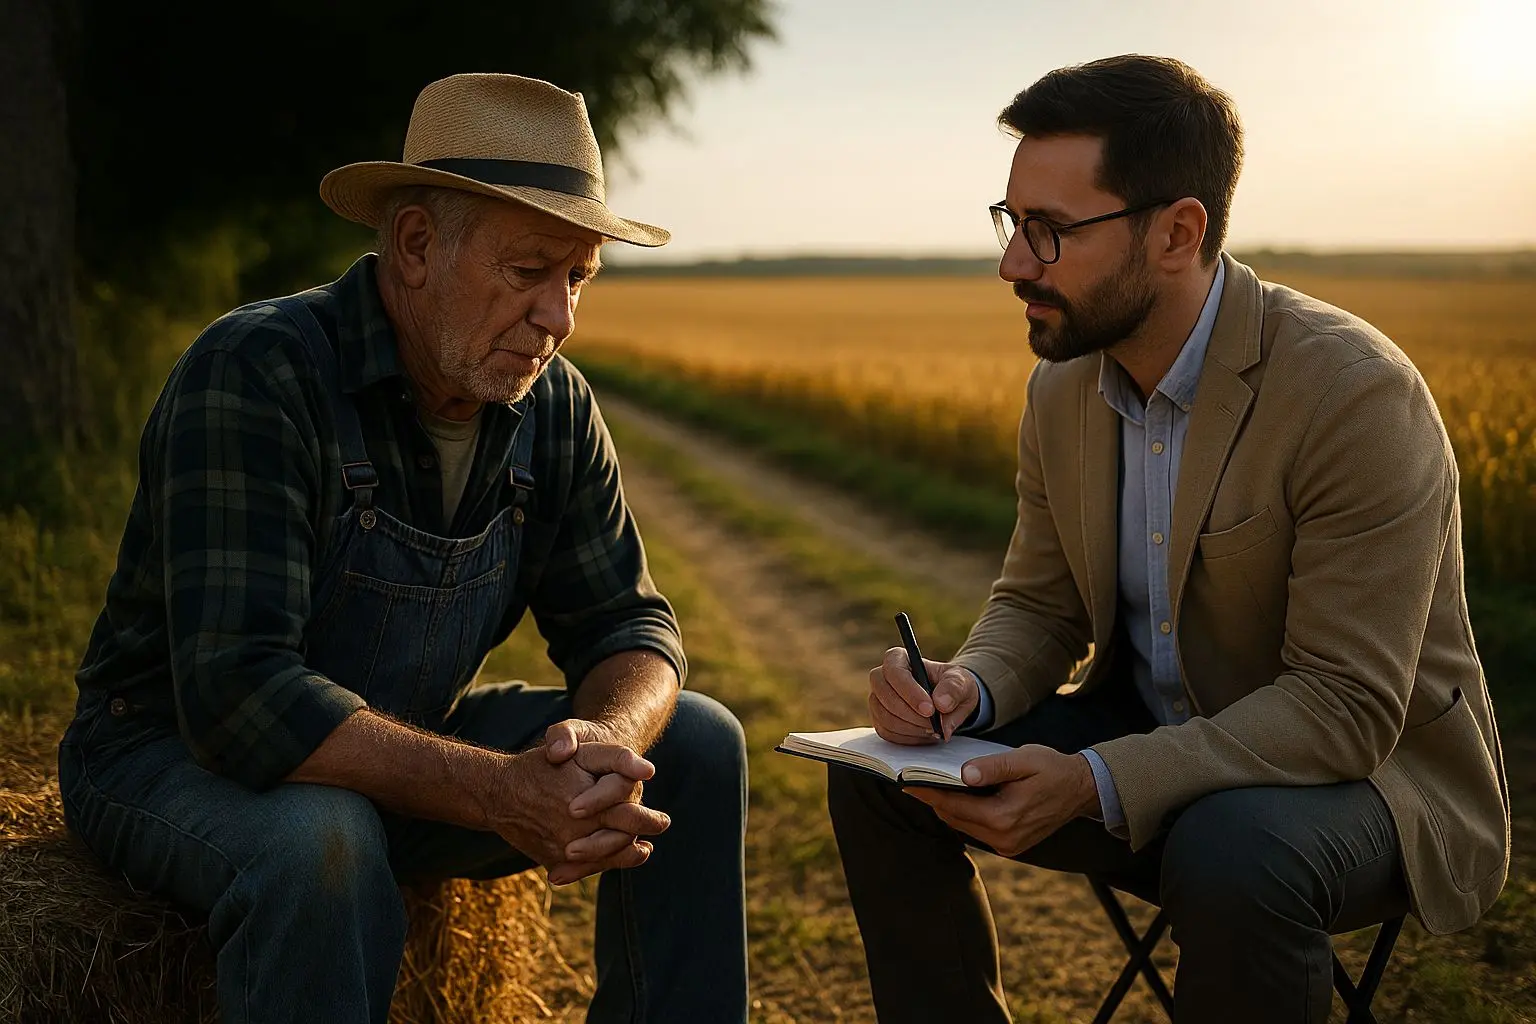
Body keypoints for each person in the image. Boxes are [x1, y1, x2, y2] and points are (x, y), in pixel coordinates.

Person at [828, 54, 1508, 1023]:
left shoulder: (1353, 395)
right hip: (1151, 743)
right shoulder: (1061, 388)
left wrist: (1095, 780)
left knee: (1232, 849)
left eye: (1052, 232)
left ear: (1178, 233)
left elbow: (1348, 707)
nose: (1014, 263)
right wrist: (964, 687)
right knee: (880, 777)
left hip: (1366, 785)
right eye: (1013, 223)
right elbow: (1040, 603)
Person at [57, 73, 748, 1024]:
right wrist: (498, 792)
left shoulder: (554, 406)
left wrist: (607, 747)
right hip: (170, 756)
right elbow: (235, 693)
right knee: (323, 841)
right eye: (528, 270)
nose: (560, 317)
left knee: (698, 743)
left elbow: (628, 621)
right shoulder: (259, 372)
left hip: (399, 748)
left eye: (578, 278)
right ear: (416, 244)